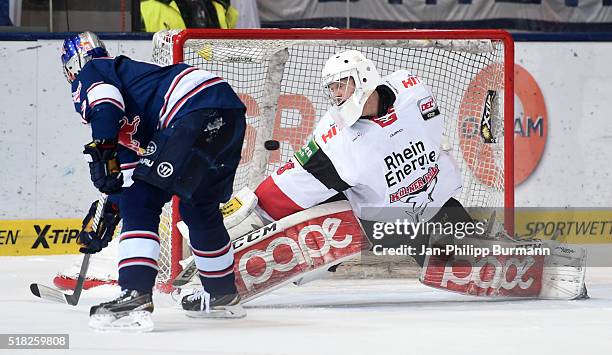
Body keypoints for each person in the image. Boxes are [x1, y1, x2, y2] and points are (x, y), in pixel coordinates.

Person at [61, 31, 247, 331]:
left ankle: (135, 293)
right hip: (226, 111)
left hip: (192, 109)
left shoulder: (93, 71)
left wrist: (101, 147)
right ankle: (222, 294)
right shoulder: (130, 97)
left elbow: (104, 103)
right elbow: (134, 182)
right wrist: (109, 209)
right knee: (199, 208)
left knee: (141, 203)